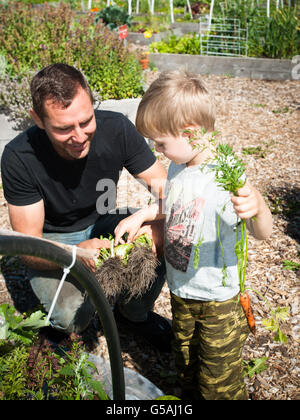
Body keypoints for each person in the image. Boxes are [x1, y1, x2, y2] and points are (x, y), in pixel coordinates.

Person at [115, 70, 273, 399]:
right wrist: (144, 214)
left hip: (217, 300)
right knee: (186, 362)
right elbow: (171, 200)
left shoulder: (225, 175)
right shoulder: (179, 165)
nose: (157, 151)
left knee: (218, 380)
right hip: (182, 291)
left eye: (161, 143)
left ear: (190, 133)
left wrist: (257, 206)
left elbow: (262, 232)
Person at [0, 63, 173, 351]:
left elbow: (169, 191)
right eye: (64, 128)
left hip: (106, 221)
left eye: (86, 121)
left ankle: (133, 314)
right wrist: (79, 254)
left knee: (168, 234)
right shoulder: (19, 157)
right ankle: (65, 330)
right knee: (72, 320)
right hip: (55, 238)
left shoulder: (117, 128)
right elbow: (29, 249)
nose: (79, 137)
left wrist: (154, 224)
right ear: (38, 120)